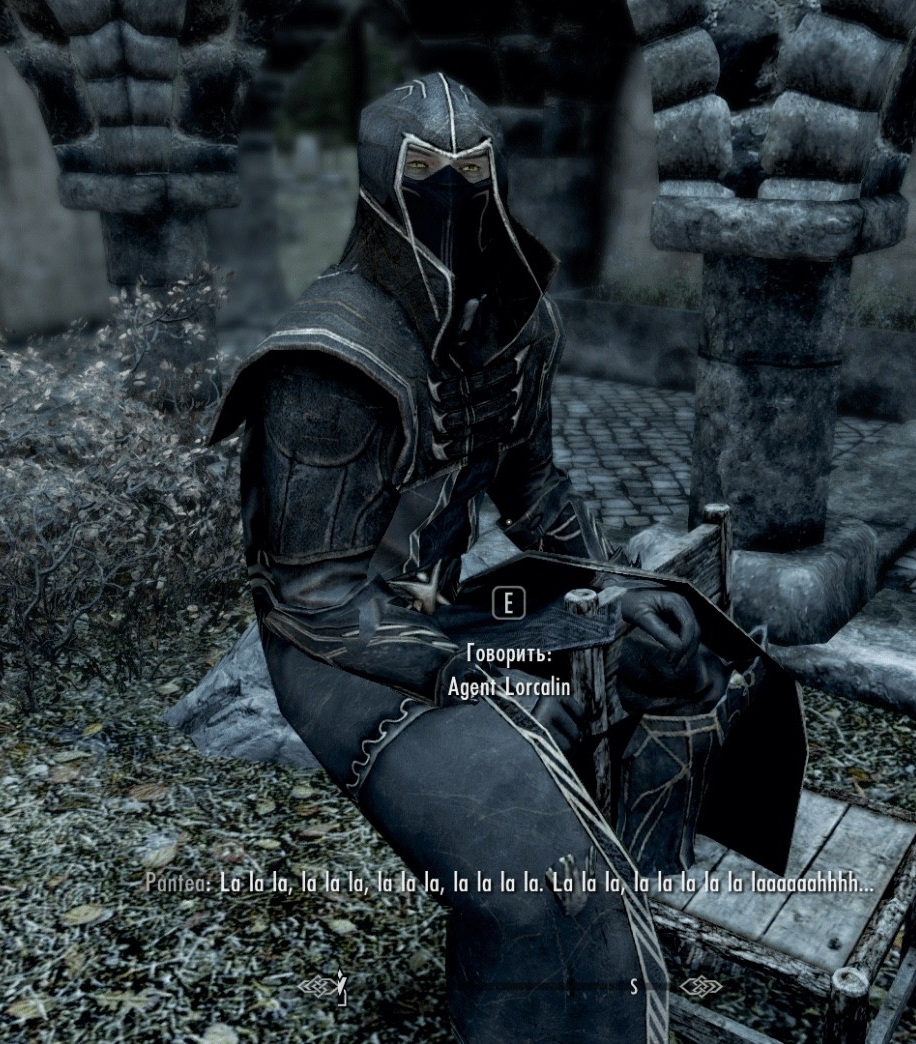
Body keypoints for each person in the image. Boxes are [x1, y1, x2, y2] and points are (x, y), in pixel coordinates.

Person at [210, 71, 711, 1044]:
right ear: (380, 193)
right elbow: (315, 599)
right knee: (530, 883)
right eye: (428, 180)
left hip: (443, 607)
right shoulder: (325, 365)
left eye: (474, 178)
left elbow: (535, 491)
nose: (454, 203)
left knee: (678, 655)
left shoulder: (520, 327)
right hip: (337, 658)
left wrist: (614, 589)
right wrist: (472, 672)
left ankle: (659, 894)